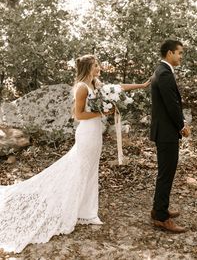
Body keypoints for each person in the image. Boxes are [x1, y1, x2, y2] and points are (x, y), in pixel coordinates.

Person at [0, 54, 150, 253]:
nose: (100, 68)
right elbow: (78, 114)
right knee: (80, 170)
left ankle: (87, 211)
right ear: (89, 67)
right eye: (96, 66)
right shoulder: (82, 87)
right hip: (87, 133)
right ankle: (74, 210)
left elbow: (118, 88)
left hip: (96, 132)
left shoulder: (95, 84)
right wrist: (102, 113)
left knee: (90, 171)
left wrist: (141, 85)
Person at [150, 40, 190, 233]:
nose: (181, 56)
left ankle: (159, 209)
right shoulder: (164, 73)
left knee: (164, 173)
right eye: (179, 53)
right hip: (166, 133)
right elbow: (171, 105)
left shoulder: (160, 70)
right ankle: (161, 217)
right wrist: (182, 126)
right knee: (166, 174)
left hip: (164, 131)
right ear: (169, 53)